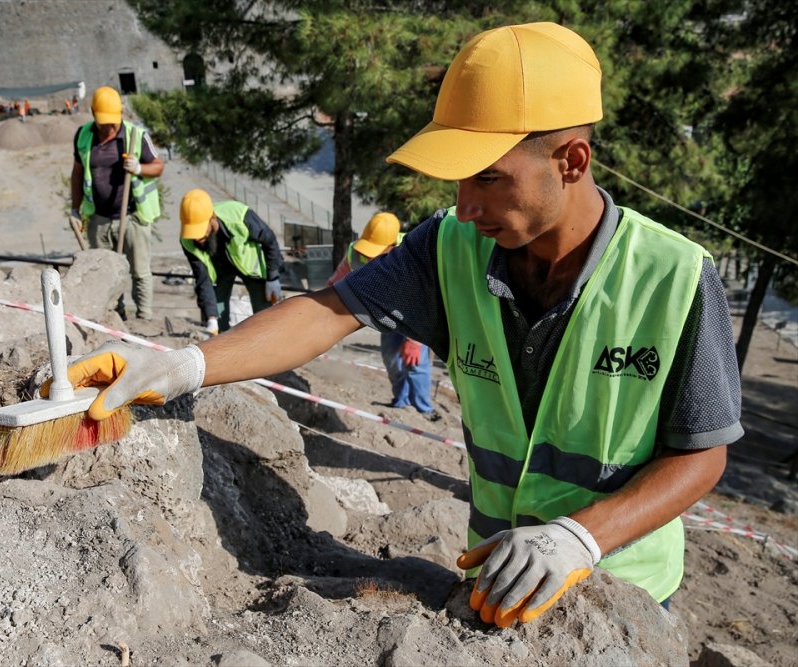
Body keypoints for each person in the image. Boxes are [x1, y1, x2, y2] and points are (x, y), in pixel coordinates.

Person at [52, 22, 742, 627]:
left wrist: (581, 538)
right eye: (459, 180)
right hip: (493, 578)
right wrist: (186, 364)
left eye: (487, 178)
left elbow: (702, 453)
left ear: (571, 161)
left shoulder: (675, 277)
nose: (464, 206)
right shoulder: (449, 248)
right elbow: (325, 311)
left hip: (620, 594)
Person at [70, 86, 164, 320]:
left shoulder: (136, 135)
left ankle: (144, 318)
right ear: (93, 114)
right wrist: (75, 209)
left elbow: (158, 166)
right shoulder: (83, 136)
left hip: (132, 217)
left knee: (140, 271)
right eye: (105, 123)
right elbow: (78, 174)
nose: (110, 128)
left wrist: (139, 168)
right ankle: (115, 315)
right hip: (99, 218)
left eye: (113, 122)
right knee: (105, 272)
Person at [328, 213, 434, 416]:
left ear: (391, 245)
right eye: (367, 249)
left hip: (417, 315)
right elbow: (333, 286)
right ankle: (401, 404)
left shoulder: (414, 252)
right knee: (391, 359)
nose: (369, 256)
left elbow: (425, 299)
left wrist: (415, 341)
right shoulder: (355, 253)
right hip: (388, 314)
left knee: (415, 362)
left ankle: (424, 410)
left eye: (376, 251)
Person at [179, 189, 284, 334]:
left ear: (212, 218)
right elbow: (202, 279)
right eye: (193, 232)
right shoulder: (187, 240)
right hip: (220, 272)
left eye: (201, 231)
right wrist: (211, 318)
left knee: (264, 316)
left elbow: (269, 240)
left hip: (250, 269)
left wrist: (273, 277)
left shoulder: (239, 216)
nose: (197, 238)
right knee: (218, 317)